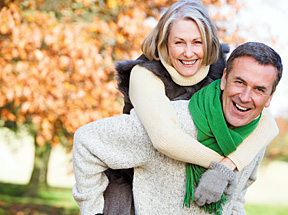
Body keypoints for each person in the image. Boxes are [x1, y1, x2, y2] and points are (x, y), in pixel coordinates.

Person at [104, 0, 278, 213]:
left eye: (197, 42)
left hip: (183, 177)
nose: (189, 53)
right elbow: (165, 138)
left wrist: (229, 165)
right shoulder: (145, 74)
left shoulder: (220, 68)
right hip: (132, 174)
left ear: (209, 42)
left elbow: (266, 122)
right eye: (179, 42)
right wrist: (221, 167)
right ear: (164, 42)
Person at [72, 41, 282, 215]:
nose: (245, 97)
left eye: (259, 89)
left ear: (270, 97)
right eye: (239, 82)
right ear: (224, 79)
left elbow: (235, 199)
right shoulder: (174, 120)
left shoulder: (255, 140)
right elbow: (86, 141)